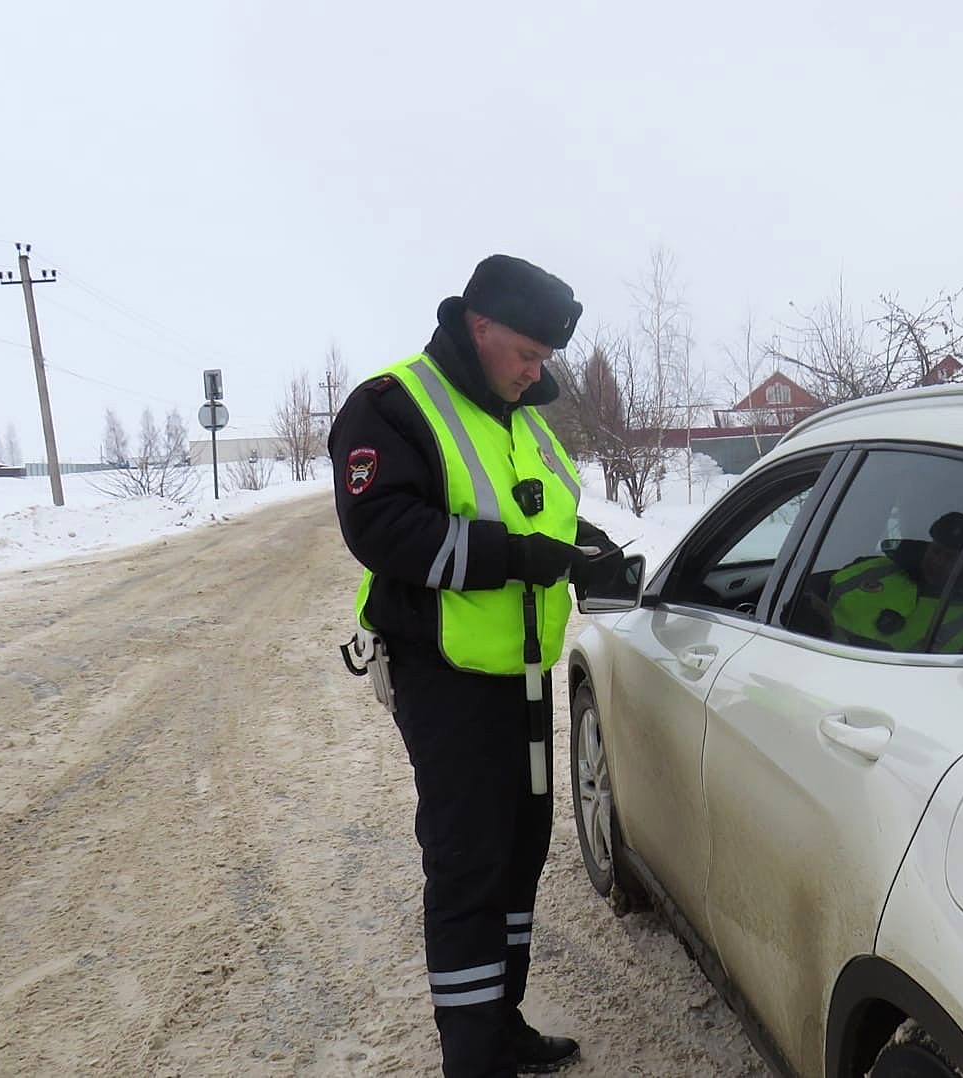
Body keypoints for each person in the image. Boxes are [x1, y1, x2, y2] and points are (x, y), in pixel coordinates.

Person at [330, 254, 617, 1076]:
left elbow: (539, 516)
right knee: (467, 862)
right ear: (478, 325)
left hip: (521, 673)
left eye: (544, 360)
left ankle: (501, 1025)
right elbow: (381, 529)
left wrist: (579, 551)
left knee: (519, 850)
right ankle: (473, 1058)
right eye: (527, 354)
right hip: (444, 673)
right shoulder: (392, 405)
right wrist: (515, 557)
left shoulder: (518, 415)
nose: (536, 373)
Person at [811, 511, 963, 654]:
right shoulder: (872, 568)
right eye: (935, 550)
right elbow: (805, 593)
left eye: (951, 557)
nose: (937, 561)